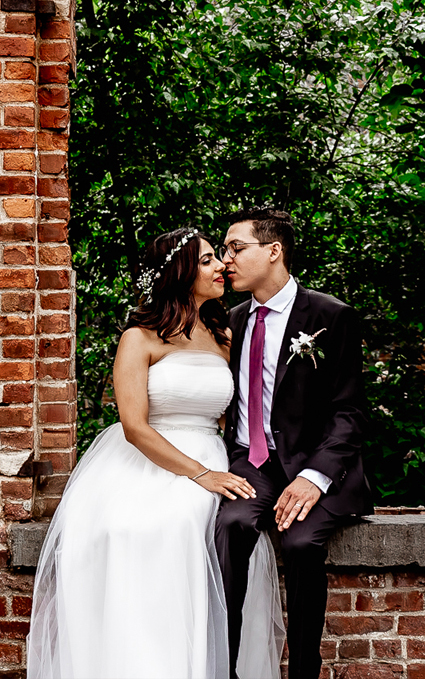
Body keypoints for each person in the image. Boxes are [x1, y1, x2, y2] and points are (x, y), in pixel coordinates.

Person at [27, 227, 283, 679]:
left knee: (221, 526)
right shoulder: (140, 338)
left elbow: (237, 415)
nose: (222, 265)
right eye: (207, 260)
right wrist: (200, 475)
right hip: (151, 459)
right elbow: (134, 426)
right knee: (157, 526)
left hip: (213, 454)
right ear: (181, 272)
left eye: (218, 258)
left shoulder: (224, 335)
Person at [215, 208, 373, 679]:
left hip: (312, 464)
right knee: (235, 526)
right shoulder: (230, 321)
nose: (226, 261)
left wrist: (313, 477)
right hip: (250, 463)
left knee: (302, 545)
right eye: (224, 251)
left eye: (236, 248)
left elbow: (350, 413)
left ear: (273, 251)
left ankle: (305, 670)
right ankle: (225, 665)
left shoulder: (330, 316)